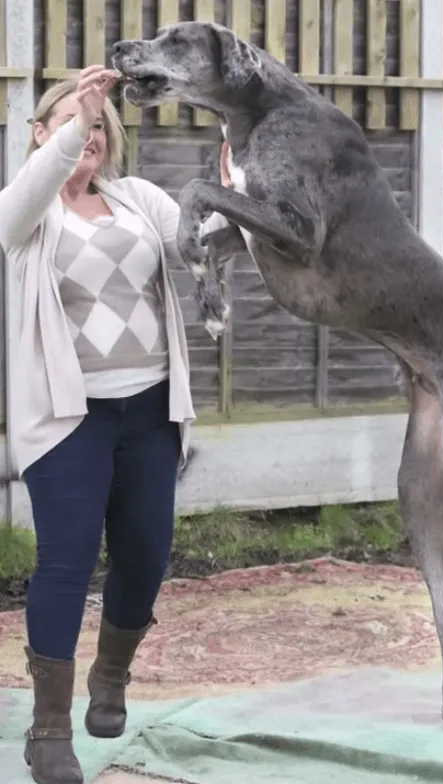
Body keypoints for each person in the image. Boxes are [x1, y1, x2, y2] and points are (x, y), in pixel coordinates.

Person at [0, 66, 225, 784]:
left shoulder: (138, 200)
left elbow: (199, 246)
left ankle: (111, 676)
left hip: (152, 410)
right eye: (70, 123)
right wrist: (75, 121)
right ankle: (48, 731)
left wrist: (232, 190)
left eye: (97, 125)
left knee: (147, 553)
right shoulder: (27, 213)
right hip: (69, 420)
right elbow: (27, 198)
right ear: (39, 135)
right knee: (66, 561)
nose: (87, 134)